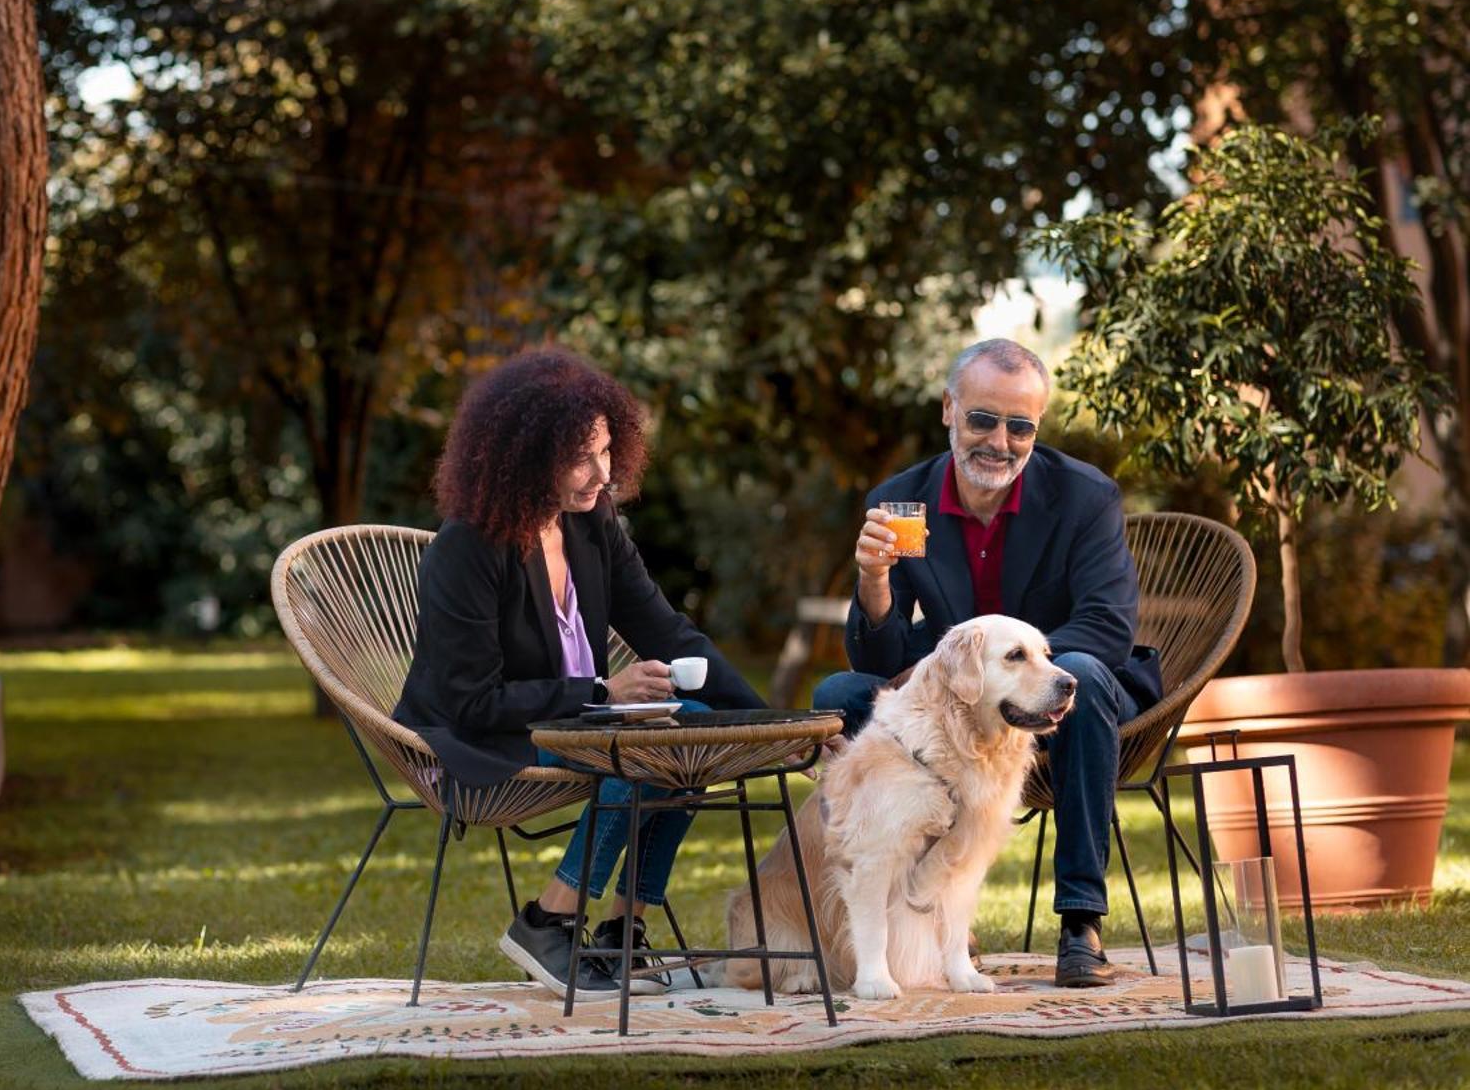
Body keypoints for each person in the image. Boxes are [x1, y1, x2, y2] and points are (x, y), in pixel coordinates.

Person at [394, 347, 766, 999]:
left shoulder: (592, 522)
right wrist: (599, 692)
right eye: (581, 457)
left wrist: (766, 720)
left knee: (695, 734)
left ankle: (621, 935)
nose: (604, 473)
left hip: (576, 723)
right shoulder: (468, 548)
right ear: (524, 457)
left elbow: (666, 629)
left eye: (605, 451)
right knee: (636, 754)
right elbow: (469, 699)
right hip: (467, 740)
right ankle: (547, 918)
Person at [812, 338, 1161, 989]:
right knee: (840, 690)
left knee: (1081, 673)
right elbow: (878, 656)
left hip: (1062, 695)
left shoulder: (1084, 497)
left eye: (1020, 425)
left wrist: (1013, 671)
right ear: (949, 408)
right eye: (982, 419)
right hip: (953, 708)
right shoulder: (902, 500)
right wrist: (873, 582)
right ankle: (893, 911)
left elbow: (1107, 627)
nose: (1000, 440)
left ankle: (1080, 920)